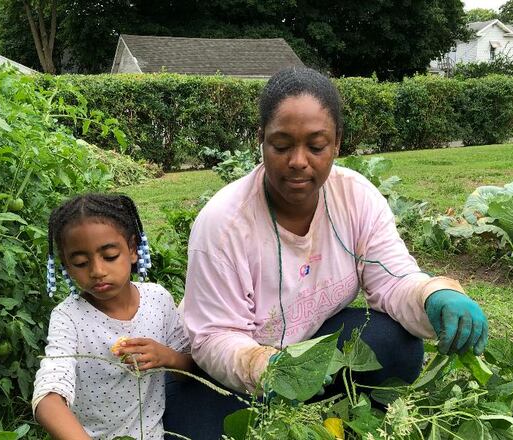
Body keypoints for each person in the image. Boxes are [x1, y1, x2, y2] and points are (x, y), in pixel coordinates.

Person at [163, 67, 488, 439]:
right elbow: (214, 336)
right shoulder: (223, 224)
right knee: (198, 432)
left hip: (309, 351)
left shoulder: (355, 196)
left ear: (337, 144)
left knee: (396, 344)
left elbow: (392, 278)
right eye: (281, 145)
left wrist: (434, 294)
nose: (298, 161)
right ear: (261, 141)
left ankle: (343, 420)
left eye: (316, 146)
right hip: (223, 371)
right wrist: (261, 365)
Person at [33, 194, 192, 440]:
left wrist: (167, 357)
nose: (97, 271)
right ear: (65, 264)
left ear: (131, 249)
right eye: (81, 262)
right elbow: (49, 396)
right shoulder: (69, 318)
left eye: (109, 256)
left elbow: (191, 370)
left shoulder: (158, 300)